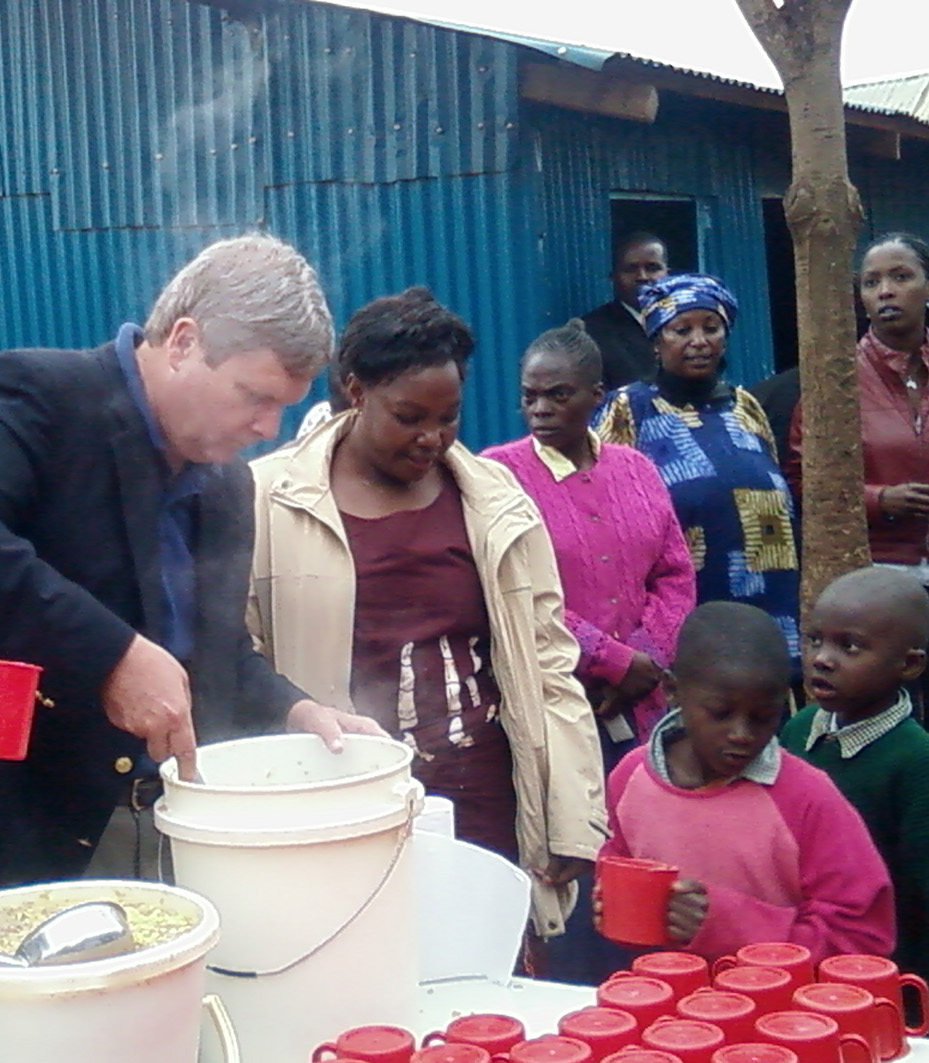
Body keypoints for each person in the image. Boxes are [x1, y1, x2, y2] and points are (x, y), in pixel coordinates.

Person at [0, 234, 382, 925]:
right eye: (253, 396)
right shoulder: (44, 395)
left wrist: (296, 711)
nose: (266, 427)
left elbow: (213, 655)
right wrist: (111, 655)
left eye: (283, 406)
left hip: (147, 836)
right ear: (183, 341)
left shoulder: (226, 486)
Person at [246, 286, 607, 941]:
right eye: (409, 416)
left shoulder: (495, 499)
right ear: (355, 391)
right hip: (342, 797)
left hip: (480, 792)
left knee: (481, 995)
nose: (431, 438)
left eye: (448, 417)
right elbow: (239, 661)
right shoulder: (269, 499)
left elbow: (548, 661)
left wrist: (570, 813)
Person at [601, 602, 894, 962]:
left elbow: (862, 938)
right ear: (672, 691)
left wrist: (726, 924)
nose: (741, 734)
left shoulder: (806, 798)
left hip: (782, 1012)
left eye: (762, 718)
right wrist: (617, 907)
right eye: (720, 714)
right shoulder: (631, 778)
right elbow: (621, 870)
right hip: (668, 1004)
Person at [484, 320, 695, 761]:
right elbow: (512, 589)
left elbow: (674, 572)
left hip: (643, 702)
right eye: (530, 396)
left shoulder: (635, 469)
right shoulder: (497, 476)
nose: (541, 408)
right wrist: (611, 662)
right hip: (553, 699)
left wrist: (645, 660)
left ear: (596, 395)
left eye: (559, 395)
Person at [596, 273, 801, 668]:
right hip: (684, 611)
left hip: (769, 609)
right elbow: (606, 512)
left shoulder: (746, 407)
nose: (699, 341)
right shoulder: (629, 410)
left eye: (711, 327)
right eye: (681, 329)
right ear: (656, 340)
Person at [782, 567, 929, 981]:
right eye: (815, 640)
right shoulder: (800, 728)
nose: (822, 659)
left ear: (910, 664)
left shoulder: (914, 759)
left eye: (850, 647)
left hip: (881, 967)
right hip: (802, 947)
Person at [788, 233, 929, 591]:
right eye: (871, 282)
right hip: (877, 571)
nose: (885, 291)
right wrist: (880, 499)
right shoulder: (836, 380)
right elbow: (802, 481)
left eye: (901, 277)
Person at [581, 232, 670, 389]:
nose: (642, 277)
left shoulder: (684, 323)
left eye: (652, 268)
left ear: (667, 273)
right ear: (613, 276)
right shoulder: (590, 332)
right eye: (630, 269)